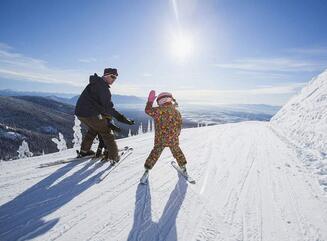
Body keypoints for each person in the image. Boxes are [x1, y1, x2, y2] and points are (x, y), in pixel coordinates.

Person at [75, 67, 134, 163]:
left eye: (115, 78)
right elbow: (108, 108)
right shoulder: (103, 88)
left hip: (80, 113)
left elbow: (98, 105)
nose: (114, 79)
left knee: (93, 129)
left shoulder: (95, 83)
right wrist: (122, 118)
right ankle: (114, 157)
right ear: (106, 75)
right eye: (112, 76)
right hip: (90, 114)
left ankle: (84, 151)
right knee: (107, 133)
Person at [143, 90, 188, 177]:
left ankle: (147, 169)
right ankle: (183, 166)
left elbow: (147, 110)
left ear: (160, 101)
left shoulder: (158, 111)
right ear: (170, 100)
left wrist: (150, 101)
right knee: (177, 151)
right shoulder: (176, 112)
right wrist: (177, 134)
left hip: (160, 140)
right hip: (173, 139)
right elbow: (179, 124)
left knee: (155, 153)